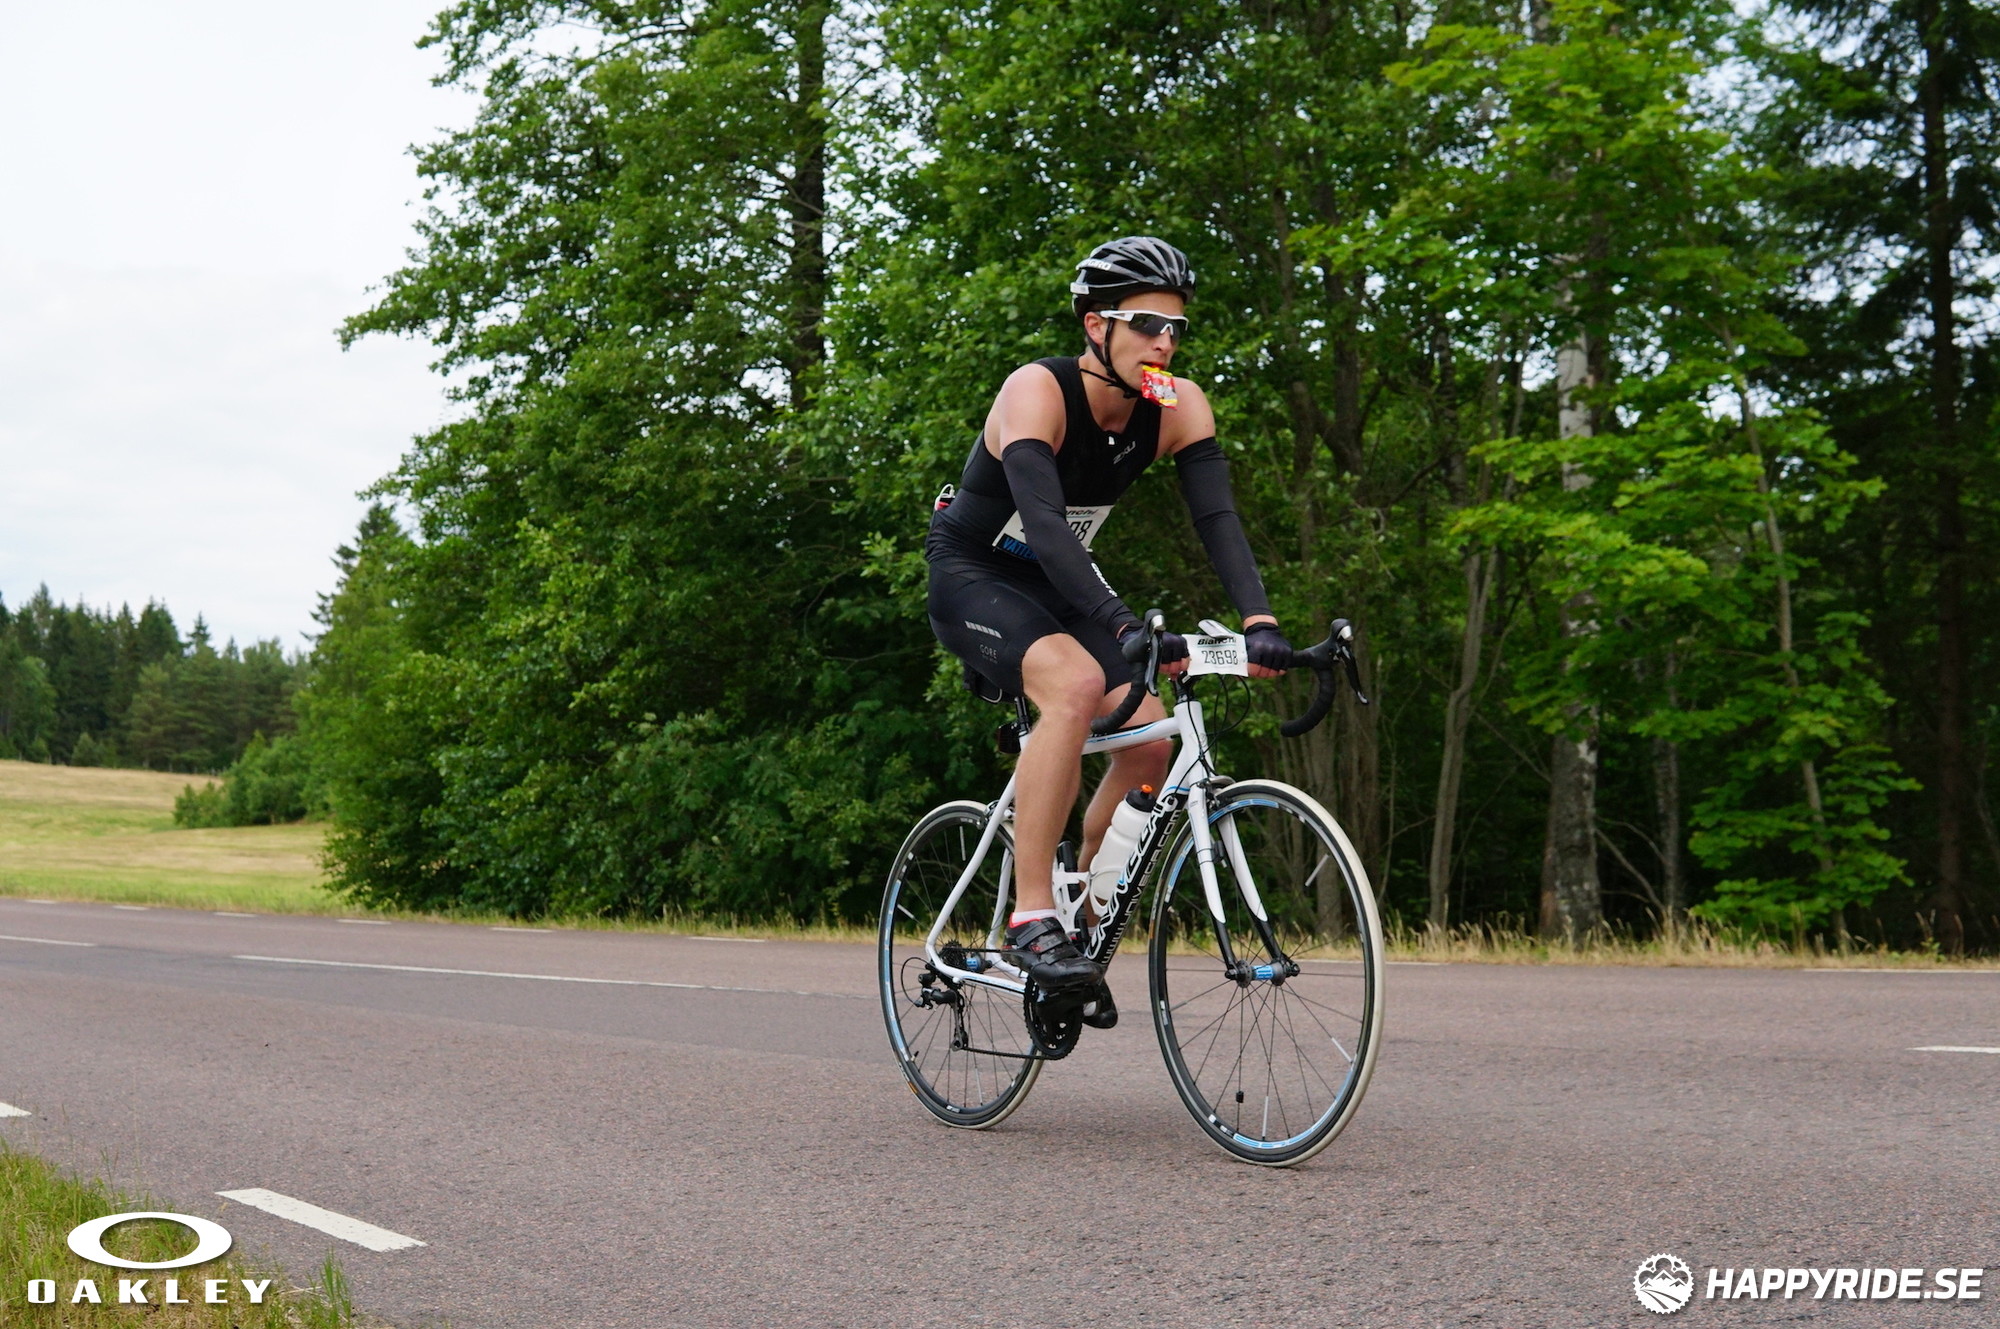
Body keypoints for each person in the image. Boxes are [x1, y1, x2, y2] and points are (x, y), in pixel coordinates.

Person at [924, 235, 1291, 995]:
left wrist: (1260, 622)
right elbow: (1045, 523)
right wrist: (1122, 622)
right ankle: (1032, 915)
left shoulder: (1175, 404)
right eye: (1147, 324)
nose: (1165, 342)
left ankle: (1084, 914)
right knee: (1075, 683)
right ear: (1097, 325)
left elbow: (1217, 519)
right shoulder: (1037, 390)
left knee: (1151, 742)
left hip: (1060, 581)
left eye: (1176, 327)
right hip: (975, 573)